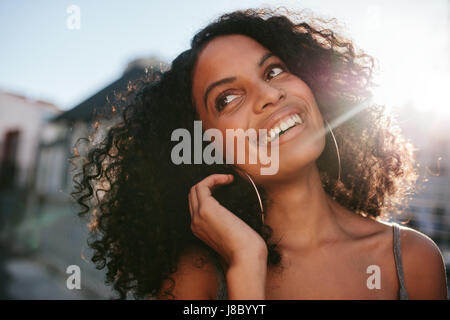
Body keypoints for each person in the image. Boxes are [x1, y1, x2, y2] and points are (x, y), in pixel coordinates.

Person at [71, 8, 448, 300]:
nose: (270, 95)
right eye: (228, 99)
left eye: (273, 71)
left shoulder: (411, 261)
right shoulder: (195, 280)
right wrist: (247, 272)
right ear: (207, 145)